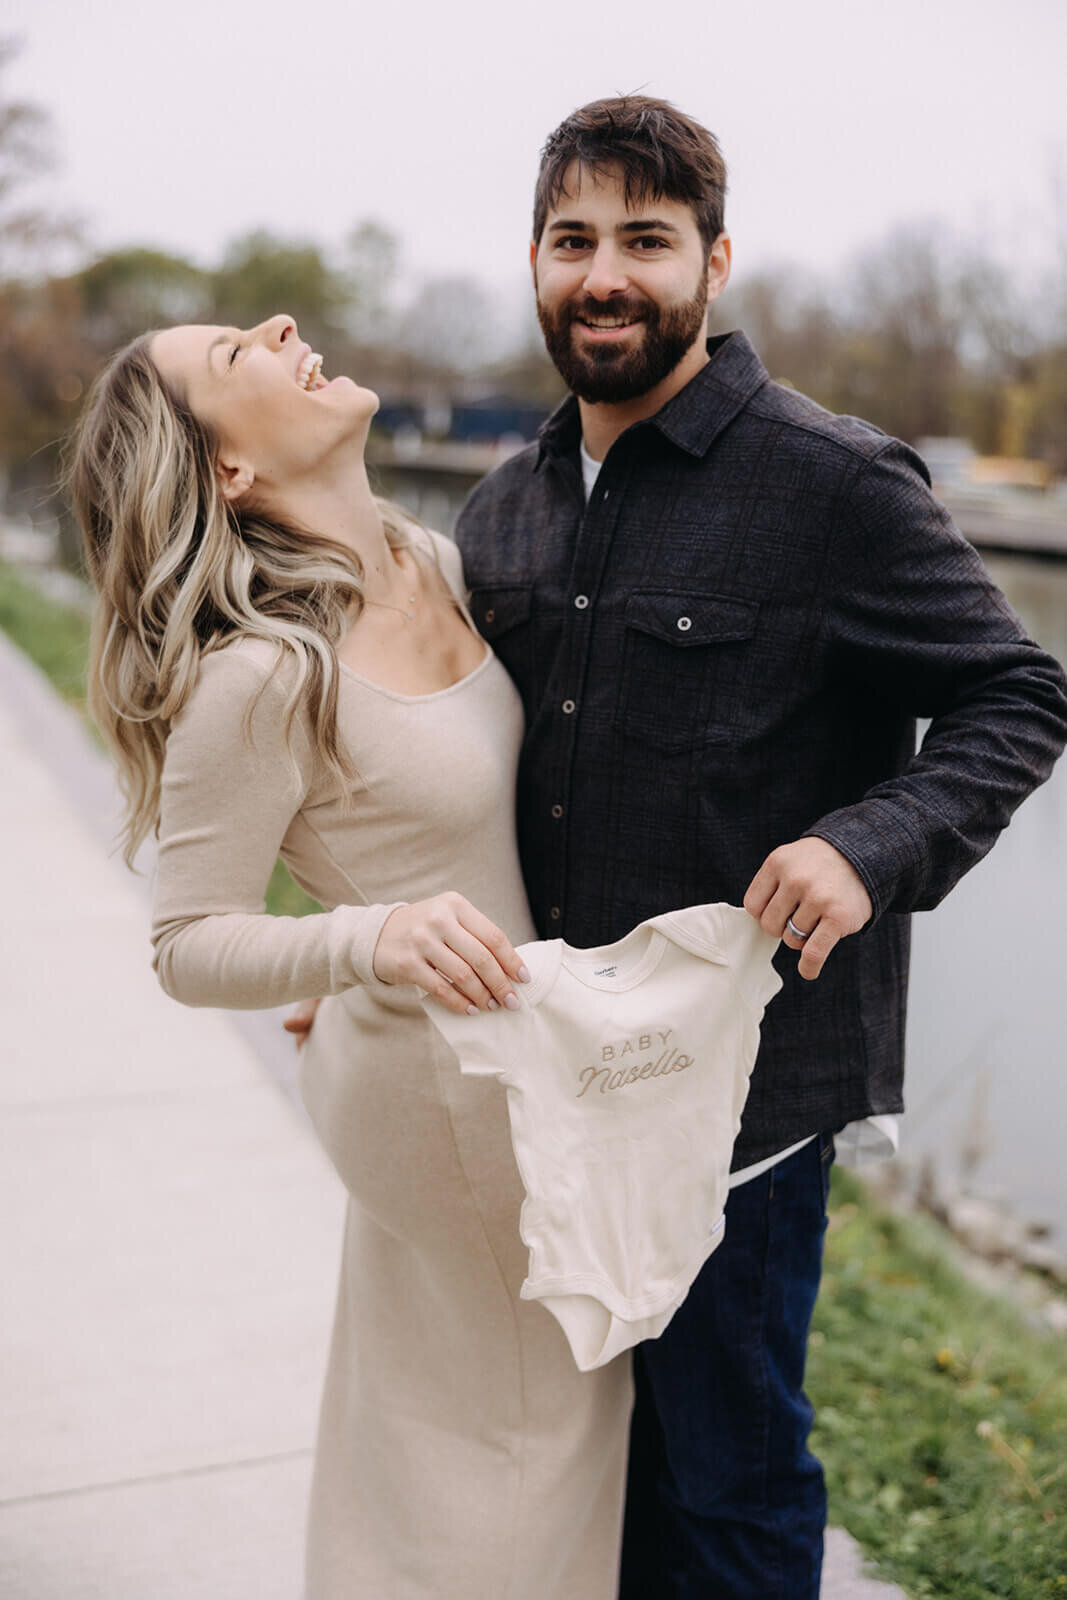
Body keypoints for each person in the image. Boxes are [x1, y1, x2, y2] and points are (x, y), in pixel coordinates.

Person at [445, 96, 1067, 1598]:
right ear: (532, 261)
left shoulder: (832, 486)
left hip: (744, 1096)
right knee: (587, 1461)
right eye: (574, 239)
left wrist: (869, 841)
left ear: (713, 264)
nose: (606, 276)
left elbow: (1017, 689)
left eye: (644, 241)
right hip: (553, 1070)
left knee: (723, 1476)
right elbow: (456, 772)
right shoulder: (499, 512)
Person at [67, 319, 633, 1599]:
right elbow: (184, 941)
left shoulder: (426, 559)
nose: (279, 326)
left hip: (503, 1060)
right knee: (527, 1438)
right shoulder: (267, 669)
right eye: (234, 354)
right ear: (225, 470)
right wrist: (365, 939)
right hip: (445, 1099)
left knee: (453, 1429)